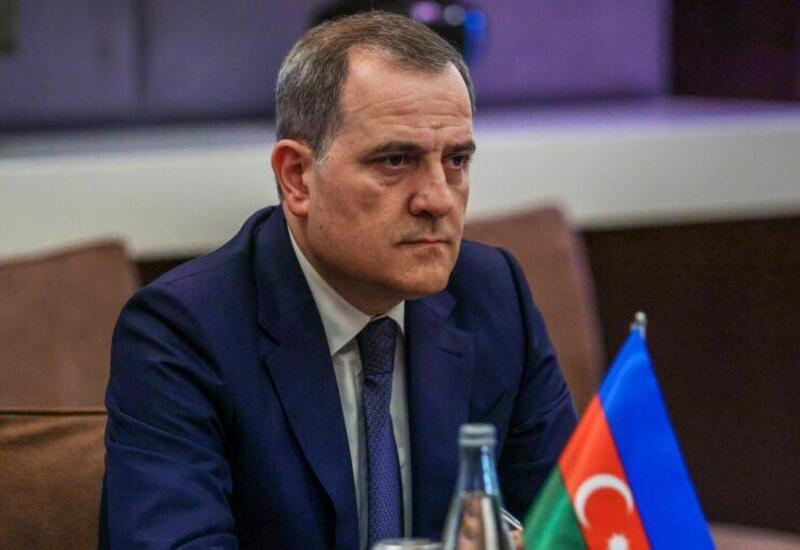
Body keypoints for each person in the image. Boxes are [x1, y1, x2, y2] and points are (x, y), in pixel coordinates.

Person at [99, 11, 576, 550]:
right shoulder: (184, 331)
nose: (438, 199)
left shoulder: (492, 296)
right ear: (297, 178)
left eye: (457, 160)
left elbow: (570, 525)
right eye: (395, 160)